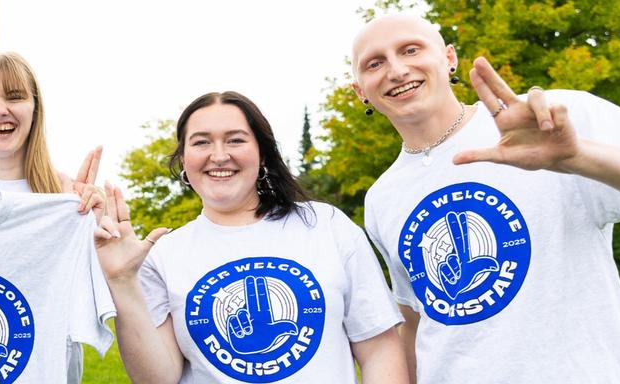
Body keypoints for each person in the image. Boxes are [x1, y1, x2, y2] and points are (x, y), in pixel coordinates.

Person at [350, 14, 620, 383]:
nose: (396, 70)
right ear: (361, 90)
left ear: (449, 58)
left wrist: (577, 158)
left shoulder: (548, 121)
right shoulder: (382, 198)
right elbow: (416, 320)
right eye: (374, 63)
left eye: (410, 49)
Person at [97, 91, 407, 383]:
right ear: (184, 161)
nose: (219, 155)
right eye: (201, 142)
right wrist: (122, 281)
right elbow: (158, 378)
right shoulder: (164, 255)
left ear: (262, 156)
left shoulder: (325, 225)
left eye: (235, 140)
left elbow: (379, 350)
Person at [0, 51, 117, 383]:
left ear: (34, 108)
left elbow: (105, 306)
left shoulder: (68, 201)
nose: (0, 109)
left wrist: (92, 232)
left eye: (14, 97)